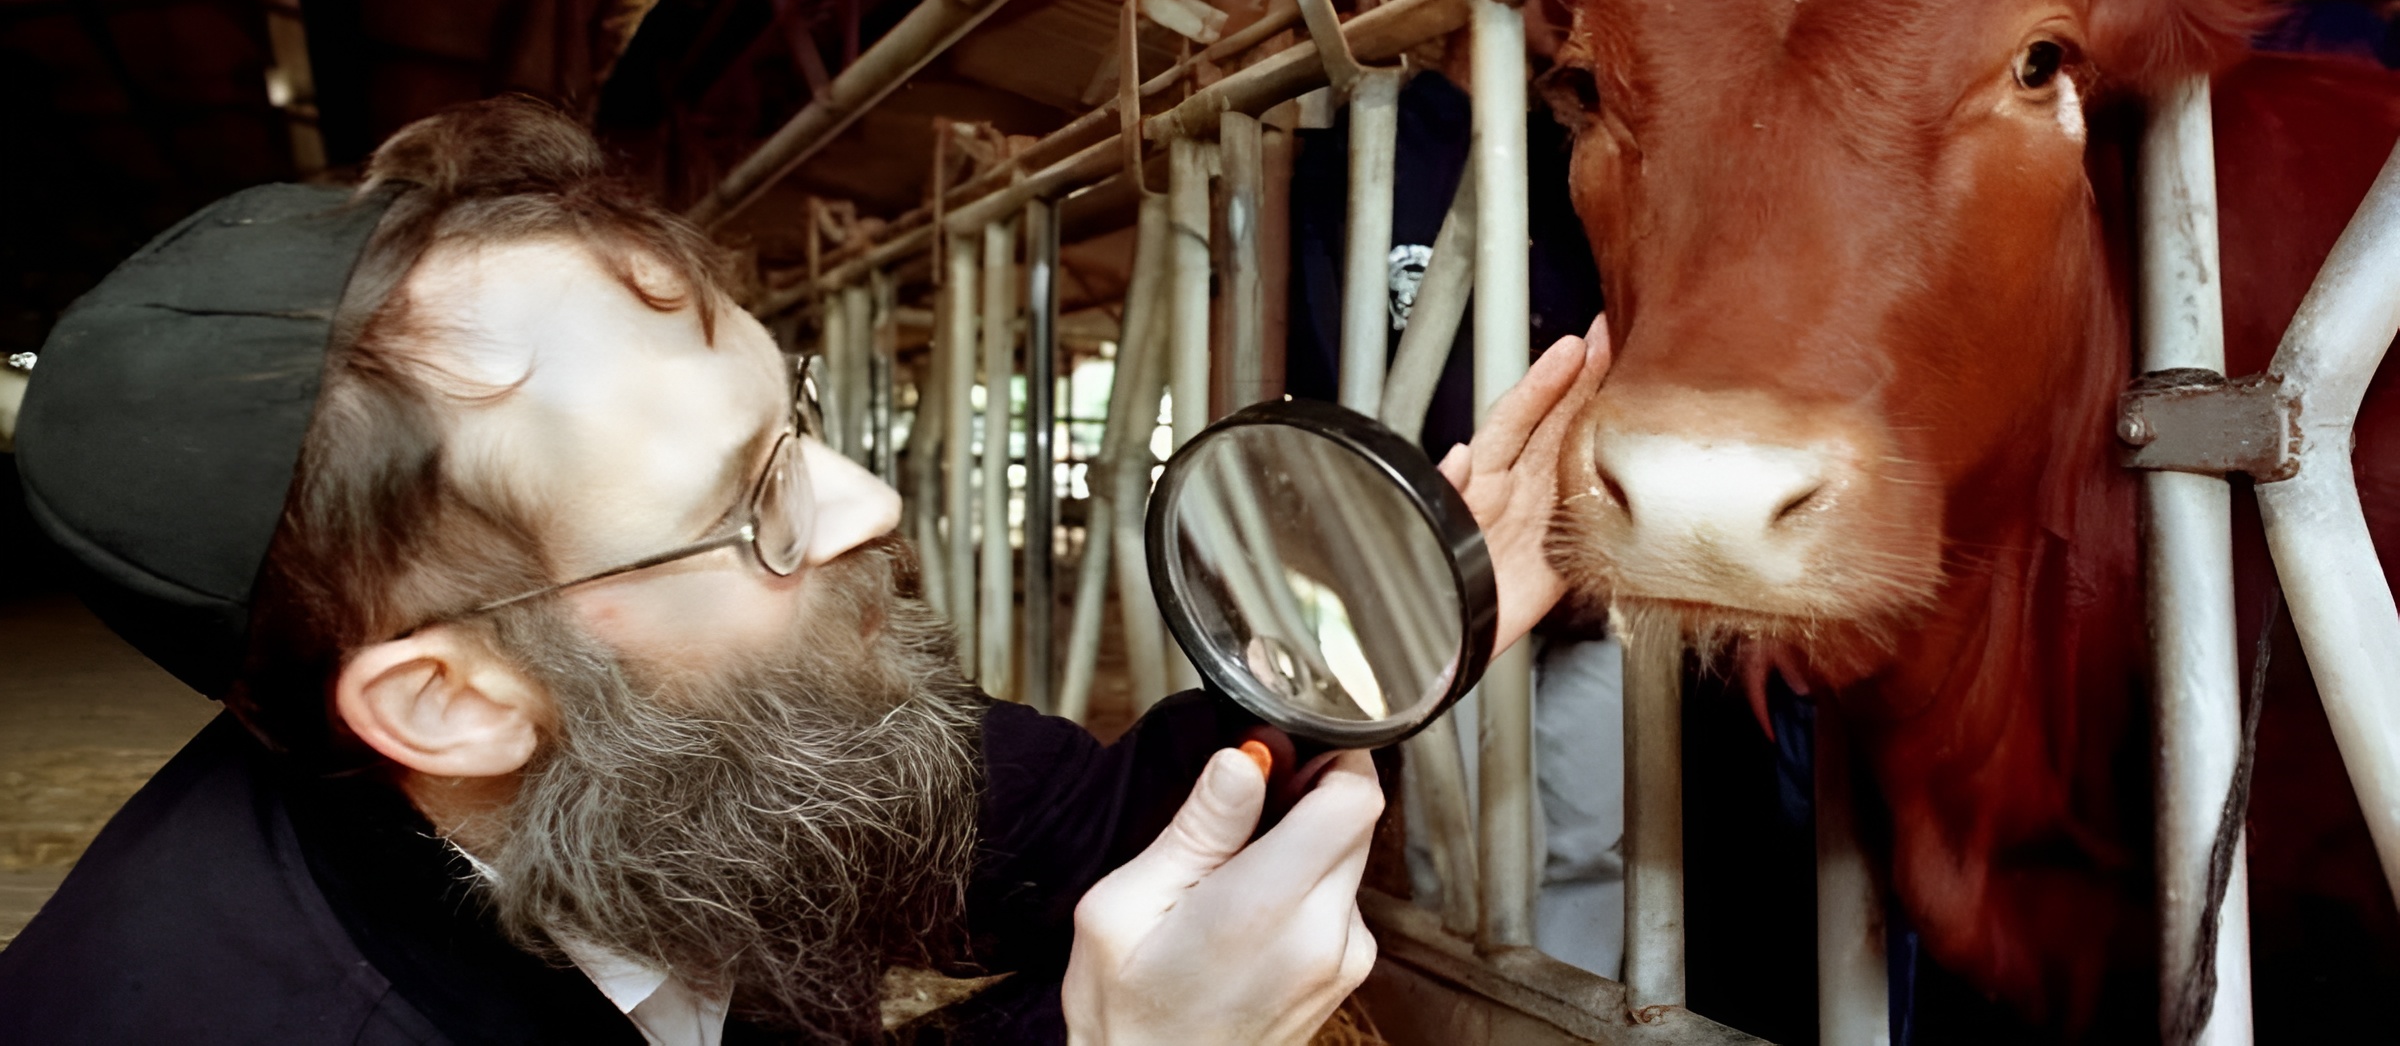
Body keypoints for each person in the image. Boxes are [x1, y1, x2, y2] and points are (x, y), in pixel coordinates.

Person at [0, 98, 1606, 1045]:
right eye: (748, 499)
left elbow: (1088, 831)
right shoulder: (206, 1014)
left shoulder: (699, 716)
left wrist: (1388, 632)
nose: (869, 502)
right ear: (448, 694)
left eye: (801, 422)